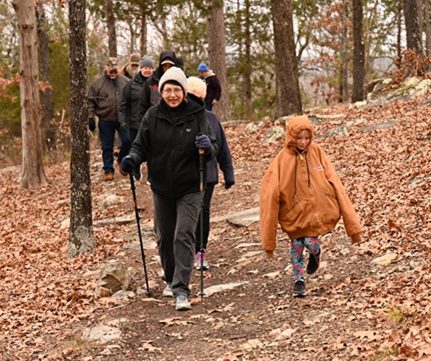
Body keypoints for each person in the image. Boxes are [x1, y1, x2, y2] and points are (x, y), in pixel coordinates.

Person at [120, 67, 218, 311]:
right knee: (164, 237)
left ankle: (181, 289)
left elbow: (212, 146)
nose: (172, 95)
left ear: (184, 92)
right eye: (168, 90)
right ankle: (172, 277)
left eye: (177, 90)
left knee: (183, 234)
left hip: (191, 185)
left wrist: (207, 145)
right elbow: (140, 146)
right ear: (161, 91)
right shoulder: (152, 116)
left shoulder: (197, 115)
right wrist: (132, 158)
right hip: (162, 185)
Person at [259, 115, 362, 297]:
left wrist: (353, 226)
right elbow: (269, 194)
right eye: (299, 138)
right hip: (293, 214)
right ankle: (298, 281)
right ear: (291, 137)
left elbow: (335, 181)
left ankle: (315, 254)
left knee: (310, 242)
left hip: (315, 212)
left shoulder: (317, 152)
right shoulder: (282, 159)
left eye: (307, 138)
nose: (303, 142)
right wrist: (269, 242)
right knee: (296, 246)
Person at [186, 76, 235, 270]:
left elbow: (222, 148)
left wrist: (228, 173)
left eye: (198, 96)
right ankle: (185, 250)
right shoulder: (181, 119)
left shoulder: (212, 119)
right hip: (186, 174)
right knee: (188, 213)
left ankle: (200, 251)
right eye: (191, 96)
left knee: (202, 212)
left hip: (208, 175)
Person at [88, 57, 130, 181]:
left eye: (115, 70)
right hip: (105, 119)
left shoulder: (126, 81)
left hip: (123, 118)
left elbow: (132, 98)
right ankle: (108, 170)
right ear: (106, 68)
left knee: (128, 141)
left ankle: (121, 160)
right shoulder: (97, 84)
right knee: (107, 146)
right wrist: (90, 117)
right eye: (111, 70)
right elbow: (90, 102)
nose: (113, 73)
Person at [119, 55, 155, 180]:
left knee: (152, 150)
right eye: (145, 67)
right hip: (135, 124)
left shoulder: (156, 84)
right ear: (140, 69)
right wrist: (123, 122)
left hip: (153, 123)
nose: (147, 70)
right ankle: (136, 171)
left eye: (150, 68)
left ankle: (152, 175)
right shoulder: (131, 85)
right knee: (136, 149)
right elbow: (123, 105)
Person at [141, 50, 178, 115]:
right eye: (165, 66)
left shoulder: (180, 81)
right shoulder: (151, 82)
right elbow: (143, 106)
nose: (167, 68)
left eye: (170, 66)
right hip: (155, 119)